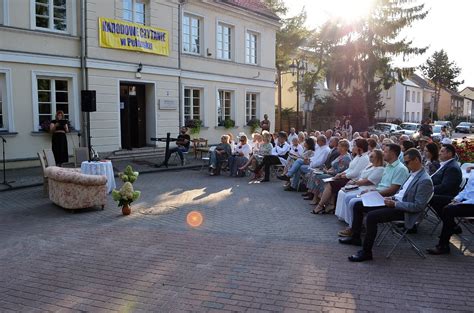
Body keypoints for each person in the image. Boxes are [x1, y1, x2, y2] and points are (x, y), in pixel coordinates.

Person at [340, 148, 433, 262]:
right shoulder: (413, 174)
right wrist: (392, 198)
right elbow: (401, 193)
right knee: (358, 205)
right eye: (405, 162)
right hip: (394, 202)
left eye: (407, 162)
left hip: (403, 210)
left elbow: (418, 206)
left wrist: (395, 204)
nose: (406, 164)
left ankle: (366, 252)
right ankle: (355, 237)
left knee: (372, 217)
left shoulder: (424, 180)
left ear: (417, 160)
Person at [336, 144, 410, 235]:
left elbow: (393, 190)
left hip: (385, 198)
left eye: (386, 151)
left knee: (354, 202)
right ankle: (355, 228)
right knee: (350, 198)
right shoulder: (388, 166)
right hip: (378, 193)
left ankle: (355, 229)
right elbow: (381, 184)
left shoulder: (400, 169)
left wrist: (373, 192)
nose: (383, 153)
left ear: (393, 153)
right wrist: (370, 191)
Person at [335, 150, 385, 236]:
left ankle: (353, 225)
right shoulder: (369, 165)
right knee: (342, 192)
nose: (370, 158)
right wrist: (354, 181)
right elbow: (361, 176)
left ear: (378, 158)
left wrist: (354, 183)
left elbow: (369, 181)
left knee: (349, 197)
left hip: (368, 188)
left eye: (372, 156)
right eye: (370, 156)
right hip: (360, 186)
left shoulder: (380, 169)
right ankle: (347, 219)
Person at [427, 172, 474, 255]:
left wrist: (460, 203)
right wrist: (456, 199)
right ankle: (452, 226)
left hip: (471, 204)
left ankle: (443, 245)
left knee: (448, 210)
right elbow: (466, 190)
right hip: (465, 201)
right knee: (433, 198)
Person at [307, 139, 352, 214]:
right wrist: (327, 170)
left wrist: (327, 171)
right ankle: (319, 198)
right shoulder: (341, 156)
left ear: (343, 148)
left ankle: (321, 200)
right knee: (316, 174)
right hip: (332, 173)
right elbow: (333, 166)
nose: (337, 147)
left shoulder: (346, 158)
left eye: (339, 146)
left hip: (338, 176)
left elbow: (339, 171)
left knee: (319, 177)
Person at [428, 144, 463, 216]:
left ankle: (448, 222)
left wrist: (428, 189)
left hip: (448, 196)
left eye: (442, 151)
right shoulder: (447, 164)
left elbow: (445, 187)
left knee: (427, 196)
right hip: (440, 192)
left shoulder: (452, 168)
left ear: (449, 154)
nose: (439, 153)